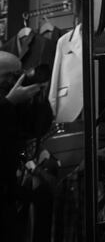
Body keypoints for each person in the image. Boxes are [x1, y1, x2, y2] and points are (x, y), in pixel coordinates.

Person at [0, 52, 54, 240]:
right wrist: (9, 102)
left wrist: (39, 99)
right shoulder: (8, 102)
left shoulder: (13, 101)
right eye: (8, 76)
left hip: (10, 191)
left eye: (16, 75)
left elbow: (37, 128)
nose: (13, 80)